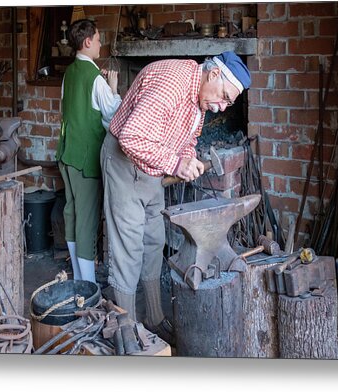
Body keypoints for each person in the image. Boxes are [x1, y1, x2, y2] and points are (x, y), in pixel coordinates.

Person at [100, 51, 251, 343]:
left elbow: (189, 138)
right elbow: (131, 138)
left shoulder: (199, 96)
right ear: (215, 74)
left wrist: (185, 156)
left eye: (228, 103)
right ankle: (127, 328)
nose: (220, 108)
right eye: (223, 97)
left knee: (154, 240)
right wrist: (176, 164)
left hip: (152, 168)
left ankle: (153, 316)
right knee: (128, 248)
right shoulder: (172, 83)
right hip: (124, 162)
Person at [56, 19, 121, 283]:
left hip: (66, 154)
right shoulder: (95, 78)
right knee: (86, 221)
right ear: (87, 42)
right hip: (85, 160)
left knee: (71, 213)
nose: (101, 43)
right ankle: (89, 286)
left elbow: (66, 110)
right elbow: (114, 115)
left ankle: (78, 281)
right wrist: (114, 89)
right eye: (98, 38)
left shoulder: (70, 72)